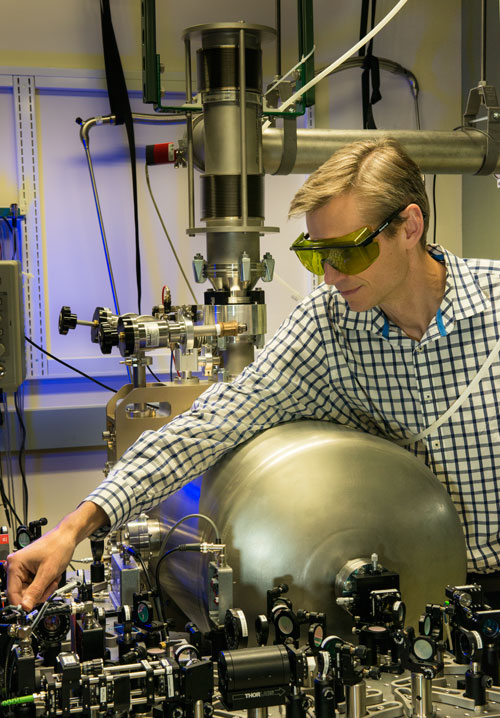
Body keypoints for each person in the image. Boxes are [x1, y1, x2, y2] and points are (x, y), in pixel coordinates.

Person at [7, 137, 500, 610]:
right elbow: (209, 426)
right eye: (317, 254)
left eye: (347, 252)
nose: (329, 275)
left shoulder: (495, 306)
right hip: (411, 596)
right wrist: (73, 528)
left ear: (409, 227)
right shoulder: (327, 326)